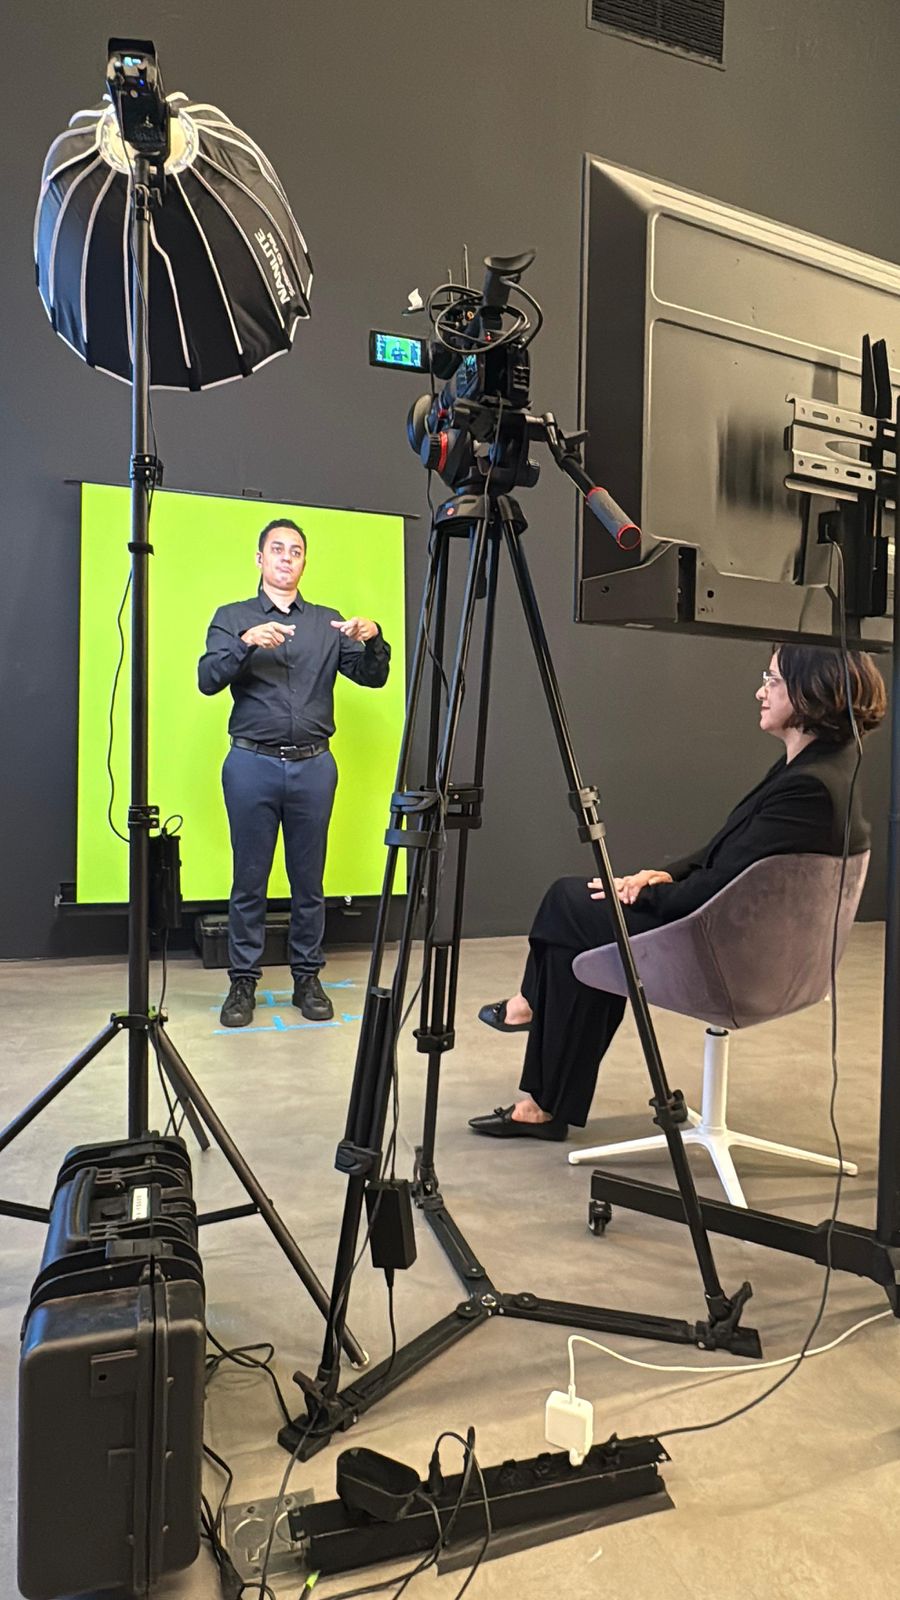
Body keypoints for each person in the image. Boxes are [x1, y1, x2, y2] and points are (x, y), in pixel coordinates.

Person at [469, 644, 885, 1141]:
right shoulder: (823, 767)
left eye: (771, 680)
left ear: (811, 690)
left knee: (568, 903)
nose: (760, 691)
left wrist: (637, 896)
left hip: (730, 955)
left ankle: (532, 1025)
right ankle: (539, 1098)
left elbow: (723, 884)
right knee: (581, 935)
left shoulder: (811, 788)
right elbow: (728, 851)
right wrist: (657, 876)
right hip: (741, 937)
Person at [198, 518, 391, 1028]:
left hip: (312, 766)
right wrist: (245, 643)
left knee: (309, 881)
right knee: (250, 879)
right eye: (277, 549)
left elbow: (373, 678)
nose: (287, 557)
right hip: (250, 764)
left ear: (304, 562)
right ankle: (243, 981)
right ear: (260, 559)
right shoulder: (232, 617)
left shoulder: (327, 623)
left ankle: (307, 977)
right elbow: (207, 679)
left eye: (297, 551)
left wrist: (373, 638)